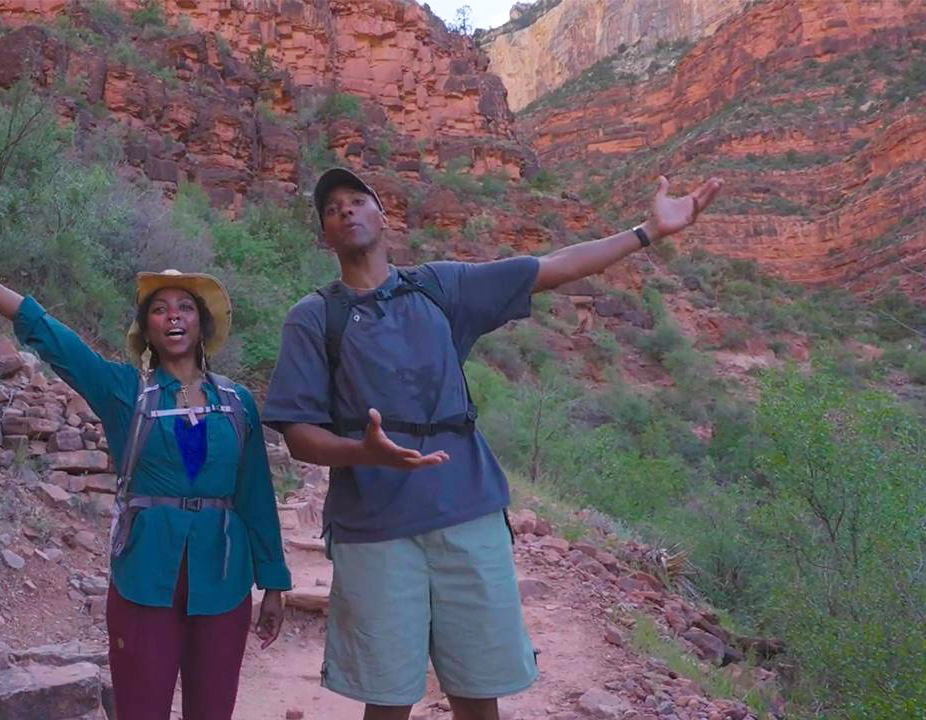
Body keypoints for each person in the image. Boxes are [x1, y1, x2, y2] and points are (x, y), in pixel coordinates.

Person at [262, 167, 722, 720]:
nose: (347, 211)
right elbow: (298, 435)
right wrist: (363, 452)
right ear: (324, 234)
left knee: (478, 692)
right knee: (386, 699)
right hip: (372, 530)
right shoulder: (313, 318)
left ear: (384, 218)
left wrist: (646, 231)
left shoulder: (441, 287)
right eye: (332, 209)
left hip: (467, 512)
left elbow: (552, 268)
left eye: (358, 201)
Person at [0, 234, 292, 720]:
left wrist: (273, 584)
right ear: (146, 330)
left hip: (223, 574)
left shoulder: (238, 404)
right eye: (159, 309)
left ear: (202, 322)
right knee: (140, 709)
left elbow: (256, 495)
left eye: (185, 307)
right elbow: (50, 334)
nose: (173, 316)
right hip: (145, 573)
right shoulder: (125, 391)